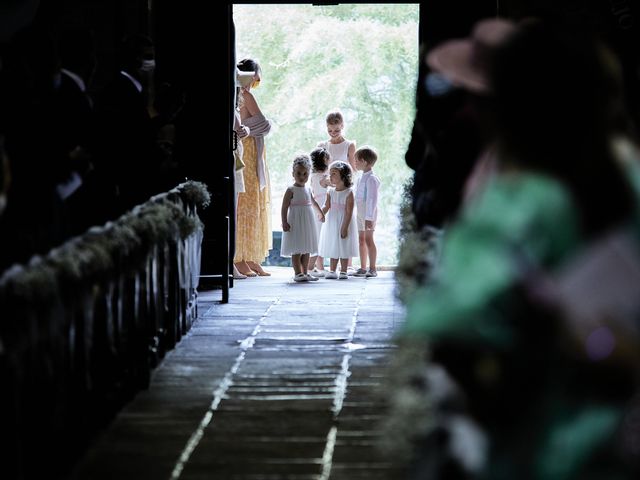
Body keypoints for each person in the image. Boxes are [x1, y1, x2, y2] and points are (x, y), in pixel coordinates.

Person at [396, 17, 640, 479]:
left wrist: (589, 338)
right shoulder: (628, 181)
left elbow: (453, 325)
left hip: (544, 446)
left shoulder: (516, 205)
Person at [234, 58, 273, 277]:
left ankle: (249, 257)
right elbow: (264, 125)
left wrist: (246, 127)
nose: (254, 83)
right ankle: (239, 258)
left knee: (251, 203)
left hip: (251, 150)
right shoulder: (244, 96)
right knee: (246, 204)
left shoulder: (242, 96)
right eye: (254, 79)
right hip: (247, 153)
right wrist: (249, 128)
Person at [318, 109, 357, 274]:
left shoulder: (349, 145)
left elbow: (353, 169)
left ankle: (346, 266)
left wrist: (345, 184)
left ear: (343, 126)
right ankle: (321, 266)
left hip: (344, 188)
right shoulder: (323, 146)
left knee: (345, 225)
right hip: (327, 189)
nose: (333, 133)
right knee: (328, 229)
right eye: (330, 130)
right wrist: (325, 181)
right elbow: (319, 171)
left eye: (337, 130)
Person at [280, 154, 325, 282]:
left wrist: (320, 212)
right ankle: (298, 273)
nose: (302, 177)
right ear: (293, 173)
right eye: (299, 173)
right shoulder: (291, 190)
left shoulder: (308, 189)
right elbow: (284, 207)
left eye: (305, 174)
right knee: (297, 248)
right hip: (295, 222)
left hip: (307, 222)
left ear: (309, 174)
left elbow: (314, 202)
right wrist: (284, 222)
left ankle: (305, 272)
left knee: (306, 248)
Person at [318, 161, 358, 279]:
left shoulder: (349, 192)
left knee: (344, 244)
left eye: (334, 173)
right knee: (333, 244)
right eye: (330, 173)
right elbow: (327, 205)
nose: (330, 176)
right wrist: (321, 213)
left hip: (344, 221)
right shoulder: (330, 191)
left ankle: (344, 271)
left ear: (343, 175)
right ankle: (332, 270)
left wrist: (344, 227)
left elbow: (349, 211)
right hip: (332, 222)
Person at [353, 146, 381, 278]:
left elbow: (372, 200)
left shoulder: (372, 179)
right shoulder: (360, 178)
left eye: (357, 160)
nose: (355, 162)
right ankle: (363, 267)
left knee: (369, 239)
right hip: (360, 211)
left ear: (364, 161)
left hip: (369, 212)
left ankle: (373, 268)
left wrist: (369, 217)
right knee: (361, 239)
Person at [307, 146, 331, 277]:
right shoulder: (323, 177)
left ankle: (316, 267)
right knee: (318, 239)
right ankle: (310, 267)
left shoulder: (313, 176)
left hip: (315, 208)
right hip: (321, 209)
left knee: (317, 238)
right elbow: (334, 183)